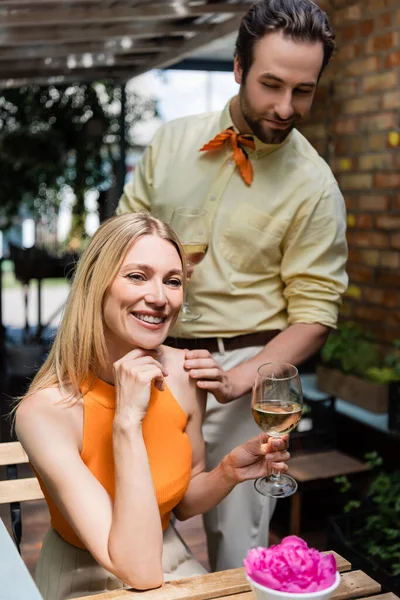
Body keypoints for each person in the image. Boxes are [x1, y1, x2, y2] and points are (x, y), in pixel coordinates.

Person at [117, 0, 348, 572]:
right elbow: (116, 245)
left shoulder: (316, 186)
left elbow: (315, 313)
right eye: (271, 84)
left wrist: (243, 378)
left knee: (237, 546)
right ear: (239, 67)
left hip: (244, 370)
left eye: (303, 91)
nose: (284, 107)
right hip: (143, 360)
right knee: (125, 513)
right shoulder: (171, 143)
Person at [15, 213, 290, 600]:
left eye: (173, 281)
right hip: (86, 577)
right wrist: (127, 418)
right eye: (137, 276)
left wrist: (227, 471)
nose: (160, 298)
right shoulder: (45, 411)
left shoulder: (184, 371)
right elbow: (139, 571)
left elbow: (182, 501)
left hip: (172, 560)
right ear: (96, 285)